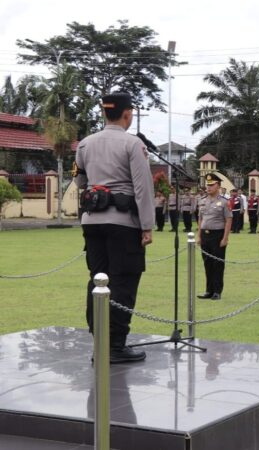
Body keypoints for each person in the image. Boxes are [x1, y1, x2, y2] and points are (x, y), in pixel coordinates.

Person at [74, 92, 154, 363]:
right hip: (123, 223)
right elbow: (143, 187)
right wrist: (147, 226)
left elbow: (80, 182)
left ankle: (99, 341)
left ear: (104, 112)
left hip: (92, 221)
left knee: (98, 280)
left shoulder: (85, 144)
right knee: (123, 282)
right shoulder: (133, 144)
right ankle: (115, 346)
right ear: (127, 114)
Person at [197, 174, 232, 300]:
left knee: (218, 264)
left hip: (217, 235)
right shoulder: (202, 200)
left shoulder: (224, 202)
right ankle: (209, 290)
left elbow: (228, 220)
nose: (209, 187)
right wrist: (199, 236)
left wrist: (225, 238)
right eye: (208, 185)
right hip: (205, 235)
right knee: (207, 263)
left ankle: (217, 291)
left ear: (218, 186)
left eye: (212, 185)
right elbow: (200, 219)